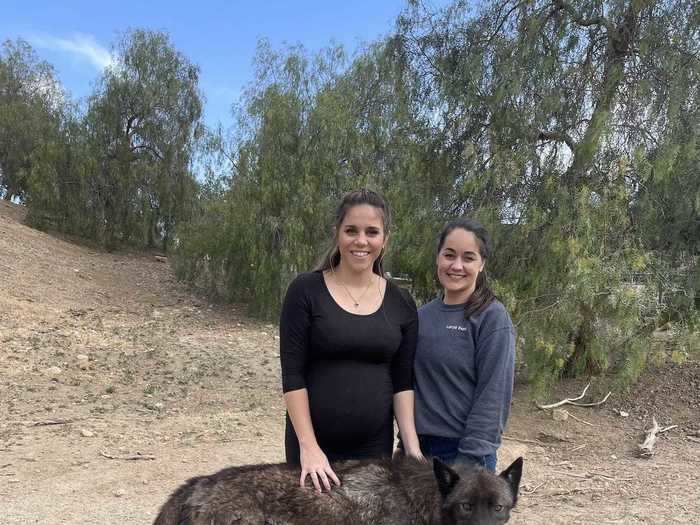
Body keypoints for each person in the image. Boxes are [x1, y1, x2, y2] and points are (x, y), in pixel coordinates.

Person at [279, 188, 423, 494]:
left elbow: (402, 382)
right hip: (312, 446)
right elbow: (293, 376)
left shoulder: (402, 303)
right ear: (337, 233)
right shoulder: (305, 291)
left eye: (372, 232)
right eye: (351, 230)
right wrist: (309, 447)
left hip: (374, 449)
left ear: (385, 239)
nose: (361, 241)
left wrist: (412, 450)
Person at [413, 218, 516, 472]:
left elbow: (493, 394)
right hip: (418, 453)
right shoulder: (421, 317)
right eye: (449, 255)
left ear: (481, 264)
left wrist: (469, 460)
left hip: (465, 454)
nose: (456, 265)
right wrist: (406, 445)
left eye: (468, 258)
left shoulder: (491, 317)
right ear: (438, 258)